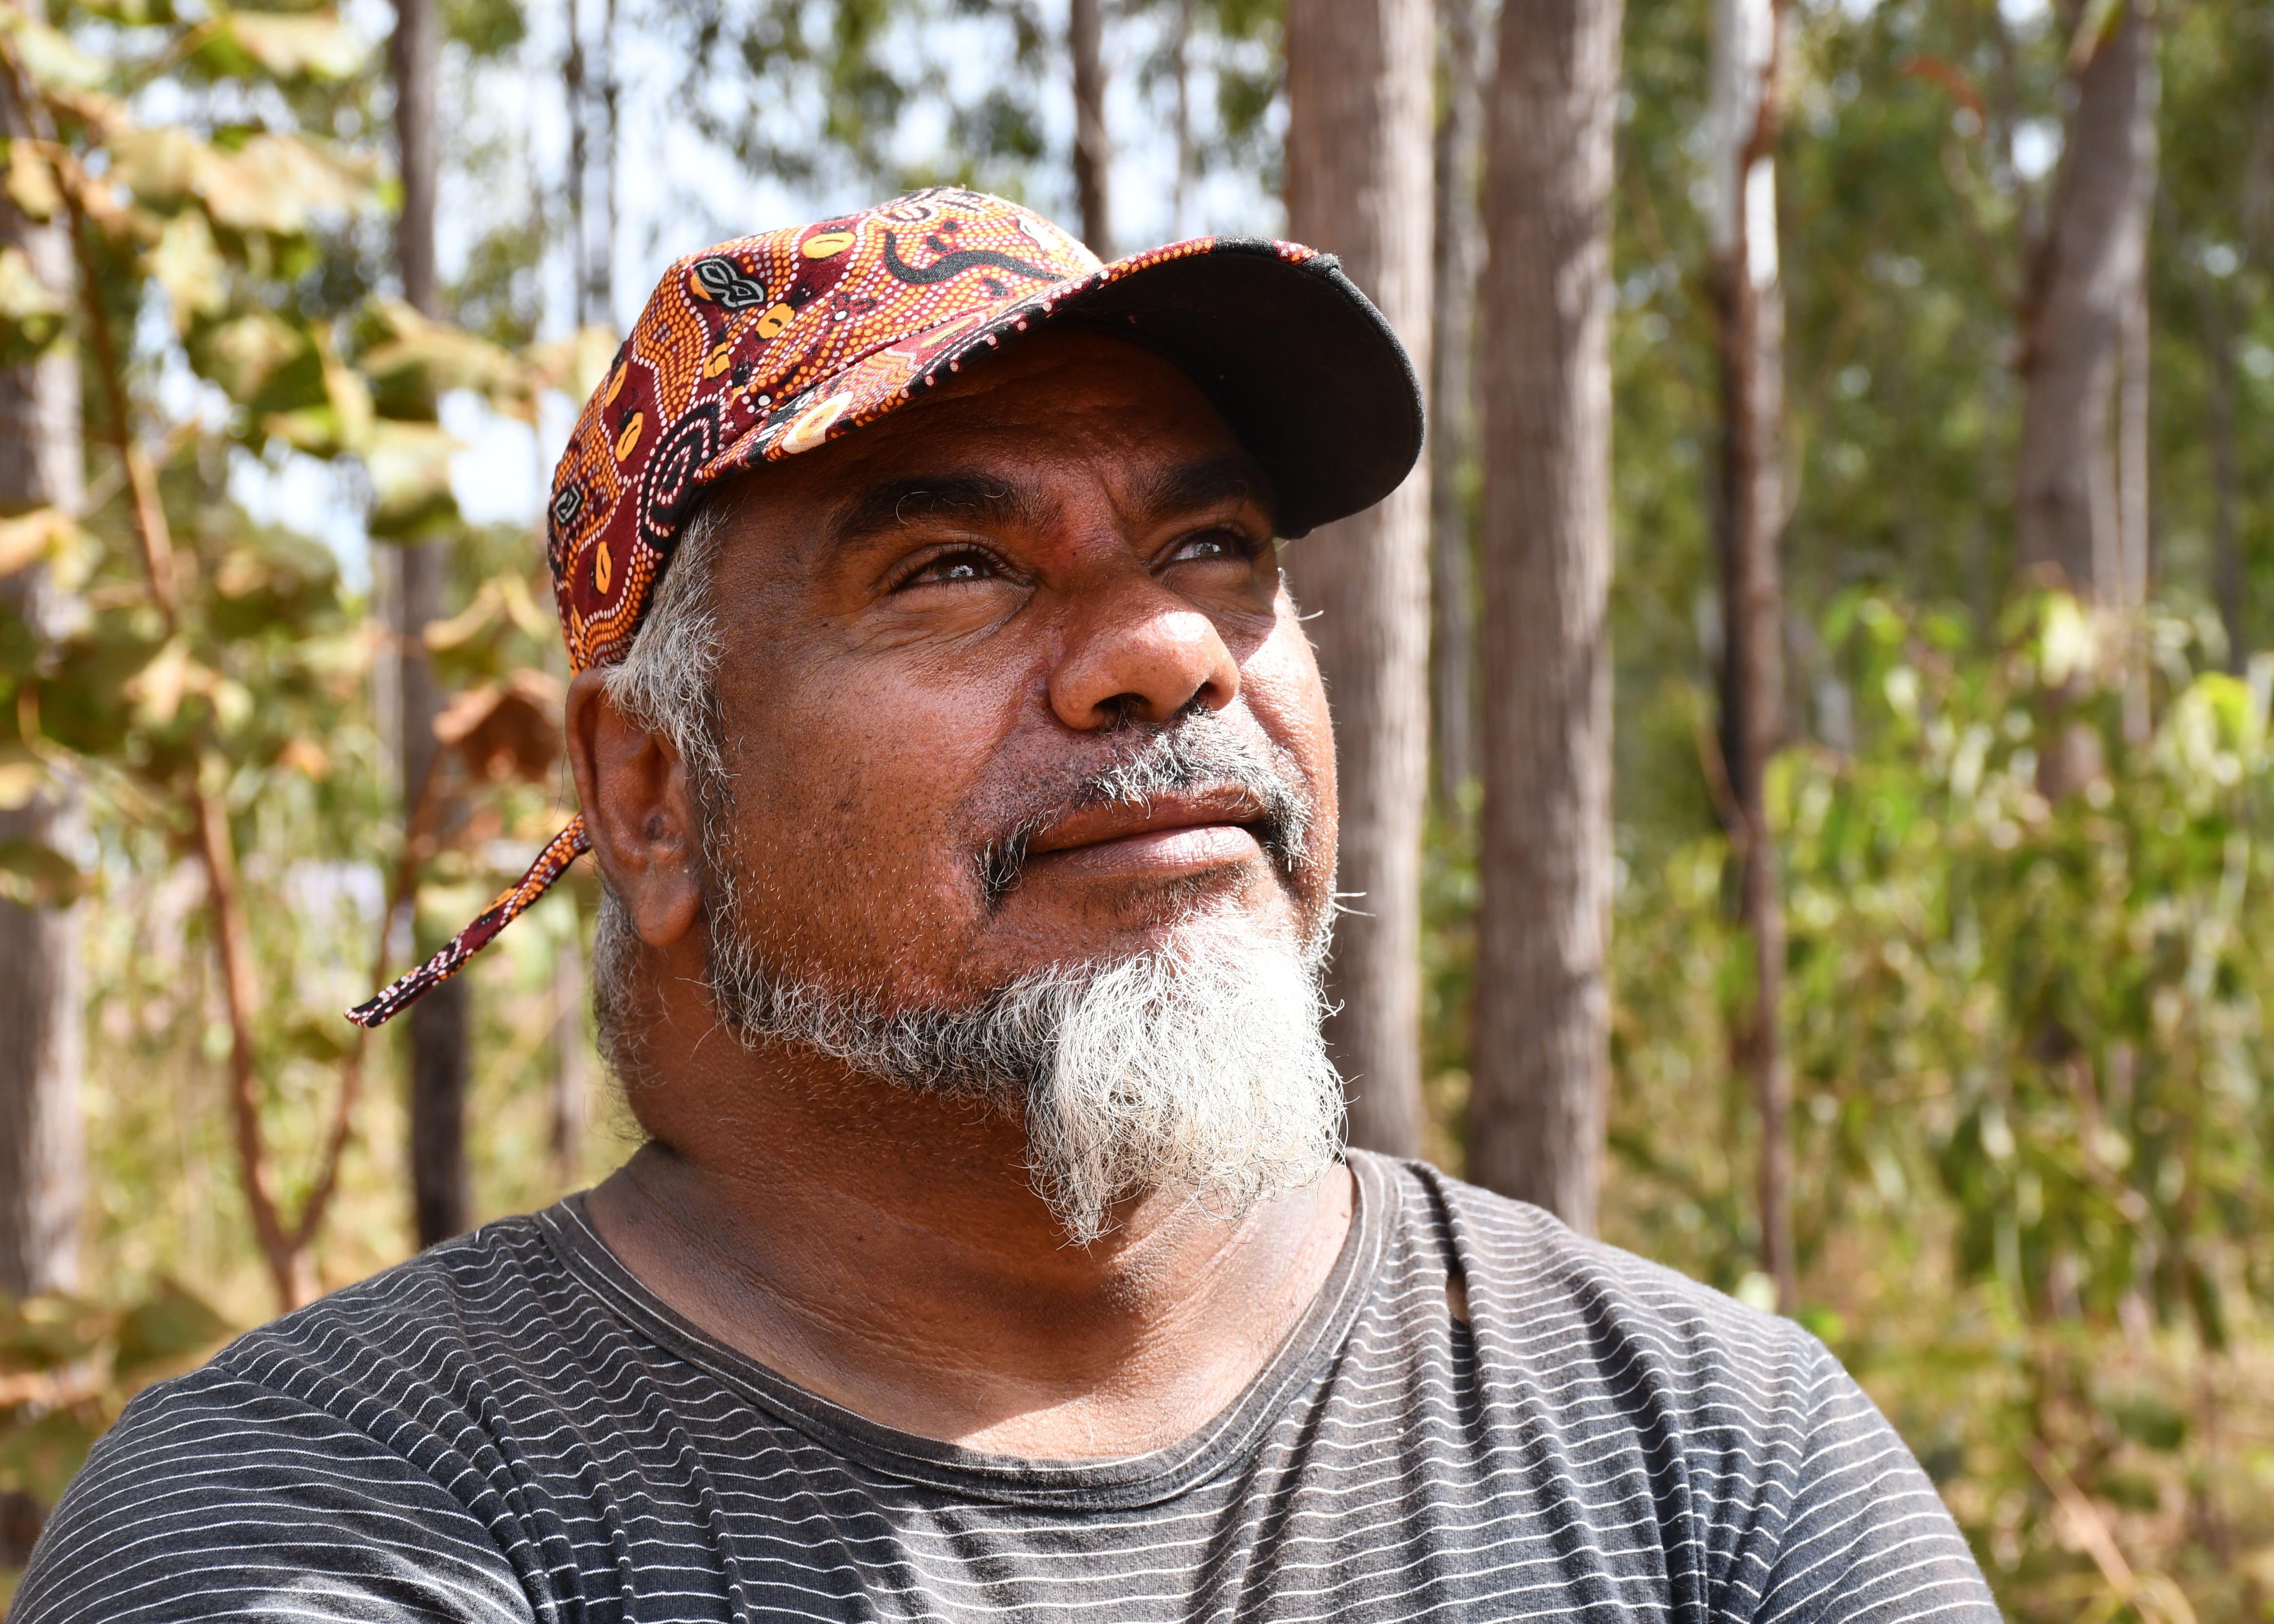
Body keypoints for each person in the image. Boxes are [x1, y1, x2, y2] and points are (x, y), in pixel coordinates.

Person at [14, 189, 1997, 1623]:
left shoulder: (1700, 1467)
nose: (1158, 654)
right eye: (955, 566)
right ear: (647, 794)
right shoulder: (340, 1525)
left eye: (1213, 547)